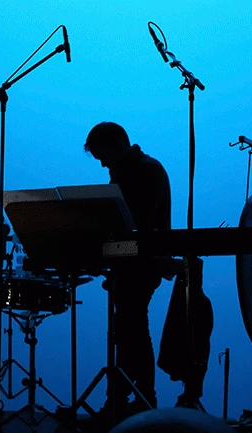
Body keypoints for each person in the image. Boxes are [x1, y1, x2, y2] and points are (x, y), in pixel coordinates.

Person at [83, 122, 171, 419]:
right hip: (130, 259)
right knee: (129, 330)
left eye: (102, 156)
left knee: (132, 329)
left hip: (141, 260)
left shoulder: (144, 171)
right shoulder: (128, 172)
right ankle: (129, 399)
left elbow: (135, 227)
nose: (102, 163)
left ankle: (135, 400)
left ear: (116, 146)